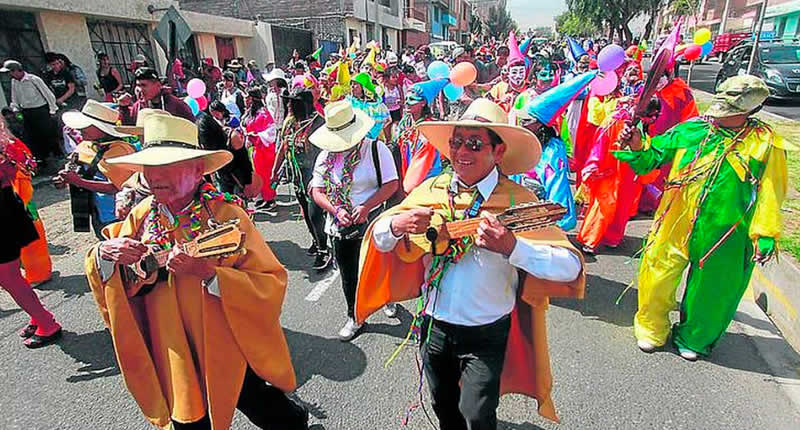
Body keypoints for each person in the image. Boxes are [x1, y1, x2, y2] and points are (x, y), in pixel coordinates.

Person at [356, 98, 585, 428]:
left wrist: (513, 247)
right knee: (442, 404)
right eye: (457, 142)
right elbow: (378, 237)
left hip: (487, 331)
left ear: (498, 152)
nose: (462, 152)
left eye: (475, 144)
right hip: (434, 325)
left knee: (478, 413)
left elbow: (570, 267)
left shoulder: (516, 201)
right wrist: (395, 225)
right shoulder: (431, 190)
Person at [86, 113, 308, 429]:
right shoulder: (141, 216)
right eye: (149, 167)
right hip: (170, 343)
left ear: (197, 170)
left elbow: (271, 281)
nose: (154, 176)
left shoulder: (225, 215)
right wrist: (105, 254)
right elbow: (106, 265)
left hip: (224, 341)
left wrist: (211, 275)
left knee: (260, 403)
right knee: (188, 417)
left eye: (166, 166)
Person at [616, 75, 791, 361]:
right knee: (657, 273)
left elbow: (772, 190)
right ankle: (651, 328)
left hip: (727, 231)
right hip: (675, 221)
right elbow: (652, 158)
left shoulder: (765, 144)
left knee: (714, 287)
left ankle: (695, 337)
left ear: (748, 110)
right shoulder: (692, 130)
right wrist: (637, 144)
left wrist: (765, 233)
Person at [309, 101, 399, 340]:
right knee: (349, 274)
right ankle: (355, 316)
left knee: (379, 268)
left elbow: (392, 184)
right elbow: (317, 191)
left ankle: (386, 298)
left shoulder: (377, 150)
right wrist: (336, 210)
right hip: (340, 226)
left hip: (372, 223)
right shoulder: (325, 157)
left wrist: (366, 206)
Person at [0, 136, 62, 348]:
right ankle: (39, 317)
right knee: (10, 276)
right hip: (7, 206)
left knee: (8, 277)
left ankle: (46, 322)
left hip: (3, 211)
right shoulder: (5, 140)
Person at [53, 100, 136, 238]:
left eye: (86, 126)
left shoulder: (120, 151)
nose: (80, 130)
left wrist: (79, 182)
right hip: (95, 210)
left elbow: (117, 187)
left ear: (102, 128)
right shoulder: (85, 146)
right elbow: (74, 164)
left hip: (114, 214)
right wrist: (64, 178)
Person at [275, 89, 331, 270]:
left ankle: (324, 250)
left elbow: (326, 153)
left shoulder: (319, 124)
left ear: (303, 104)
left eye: (293, 102)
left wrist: (320, 178)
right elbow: (284, 147)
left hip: (314, 176)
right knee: (306, 212)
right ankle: (316, 240)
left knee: (315, 214)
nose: (289, 105)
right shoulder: (290, 123)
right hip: (297, 175)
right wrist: (275, 171)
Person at [1, 117, 52, 285]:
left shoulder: (8, 145)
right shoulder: (11, 142)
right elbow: (29, 161)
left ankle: (38, 273)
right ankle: (34, 270)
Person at [1, 59, 59, 165]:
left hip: (40, 110)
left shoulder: (33, 79)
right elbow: (15, 98)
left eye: (11, 72)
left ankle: (55, 155)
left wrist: (52, 109)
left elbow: (48, 95)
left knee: (47, 133)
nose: (10, 75)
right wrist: (15, 110)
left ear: (17, 70)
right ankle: (40, 159)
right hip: (27, 112)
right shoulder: (14, 82)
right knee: (32, 136)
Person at [396, 80, 444, 194]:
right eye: (406, 99)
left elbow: (426, 158)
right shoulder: (405, 123)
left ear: (423, 103)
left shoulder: (430, 127)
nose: (407, 102)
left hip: (426, 179)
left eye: (412, 99)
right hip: (406, 171)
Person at [197, 101, 253, 197]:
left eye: (215, 111)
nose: (214, 114)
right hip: (221, 177)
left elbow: (245, 163)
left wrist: (247, 183)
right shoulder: (206, 140)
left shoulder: (232, 134)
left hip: (236, 176)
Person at [243, 87, 278, 213]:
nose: (246, 99)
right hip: (256, 149)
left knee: (266, 174)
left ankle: (271, 199)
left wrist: (257, 136)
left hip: (265, 149)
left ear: (252, 99)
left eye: (248, 97)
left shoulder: (263, 113)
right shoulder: (252, 113)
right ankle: (265, 198)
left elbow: (271, 131)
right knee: (259, 174)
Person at [119, 67, 195, 125]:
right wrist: (123, 107)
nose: (140, 89)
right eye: (138, 85)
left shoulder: (177, 105)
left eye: (144, 85)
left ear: (158, 85)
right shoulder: (138, 107)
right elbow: (130, 126)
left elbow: (192, 126)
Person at [347, 72, 391, 141]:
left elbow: (387, 121)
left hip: (372, 140)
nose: (352, 86)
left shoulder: (376, 106)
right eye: (351, 84)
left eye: (355, 84)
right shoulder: (348, 102)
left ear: (363, 87)